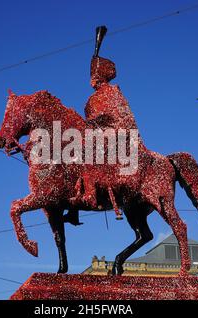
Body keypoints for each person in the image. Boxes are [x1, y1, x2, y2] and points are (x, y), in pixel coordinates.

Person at [64, 26, 142, 225]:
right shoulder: (91, 98)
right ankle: (74, 207)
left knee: (85, 150)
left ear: (102, 75)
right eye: (91, 75)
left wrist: (91, 124)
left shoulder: (113, 91)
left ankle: (90, 194)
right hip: (99, 134)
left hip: (117, 136)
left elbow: (114, 116)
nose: (92, 79)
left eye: (95, 75)